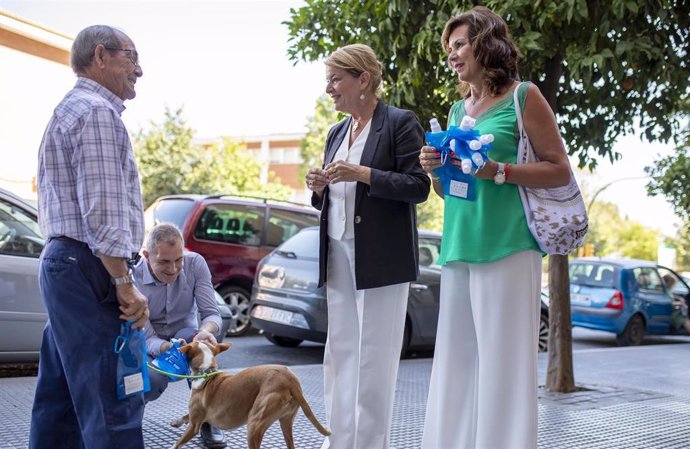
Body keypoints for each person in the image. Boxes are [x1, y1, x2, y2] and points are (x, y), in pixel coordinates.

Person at [418, 6, 573, 449]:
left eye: (460, 44)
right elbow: (454, 191)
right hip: (459, 244)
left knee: (505, 366)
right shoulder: (455, 108)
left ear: (486, 43)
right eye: (449, 48)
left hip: (508, 245)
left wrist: (499, 170)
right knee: (455, 363)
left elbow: (559, 170)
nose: (452, 54)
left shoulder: (524, 96)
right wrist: (435, 170)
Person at [305, 44, 430, 449]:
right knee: (339, 354)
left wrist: (362, 173)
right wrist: (319, 187)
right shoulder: (336, 132)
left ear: (363, 79)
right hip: (339, 254)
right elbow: (331, 200)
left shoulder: (398, 122)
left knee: (373, 359)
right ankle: (337, 439)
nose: (328, 89)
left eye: (335, 79)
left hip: (382, 259)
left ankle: (368, 444)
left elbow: (418, 186)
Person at [30, 25, 149, 449]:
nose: (140, 69)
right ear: (101, 56)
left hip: (66, 265)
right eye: (131, 57)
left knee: (60, 405)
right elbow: (102, 209)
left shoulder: (68, 110)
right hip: (89, 267)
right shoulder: (96, 113)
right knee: (112, 400)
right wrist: (124, 283)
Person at [133, 223, 226, 449]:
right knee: (152, 382)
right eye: (164, 261)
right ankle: (131, 413)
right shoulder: (133, 277)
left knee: (204, 346)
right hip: (149, 342)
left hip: (187, 335)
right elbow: (145, 336)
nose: (174, 269)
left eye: (178, 260)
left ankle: (207, 416)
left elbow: (212, 314)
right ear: (146, 256)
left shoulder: (196, 264)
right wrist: (168, 348)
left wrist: (205, 332)